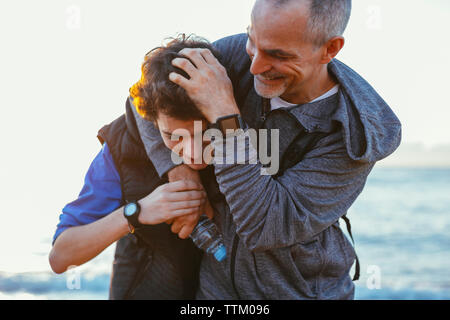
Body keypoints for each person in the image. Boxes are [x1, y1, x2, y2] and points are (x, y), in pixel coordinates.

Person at [136, 0, 402, 299]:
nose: (255, 67)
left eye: (278, 55)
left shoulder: (354, 133)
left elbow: (264, 227)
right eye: (253, 40)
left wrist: (224, 113)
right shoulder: (235, 54)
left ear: (330, 49)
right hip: (214, 290)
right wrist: (181, 173)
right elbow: (144, 98)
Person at [49, 36, 222, 299]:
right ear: (152, 119)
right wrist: (136, 212)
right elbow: (61, 257)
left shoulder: (242, 125)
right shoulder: (122, 148)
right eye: (173, 137)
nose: (194, 153)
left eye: (204, 132)